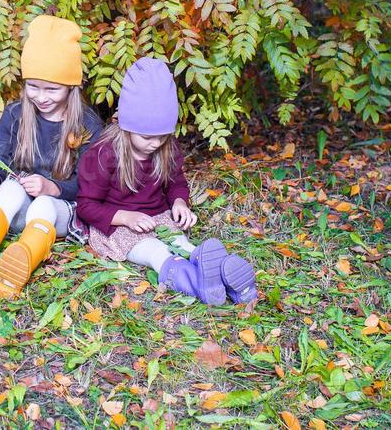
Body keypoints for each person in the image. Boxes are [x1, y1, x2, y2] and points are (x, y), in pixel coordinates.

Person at [0, 14, 102, 297]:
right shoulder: (17, 114)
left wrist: (53, 187)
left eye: (52, 89)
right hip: (16, 213)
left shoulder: (87, 124)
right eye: (34, 87)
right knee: (11, 188)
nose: (41, 97)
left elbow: (92, 186)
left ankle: (15, 273)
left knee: (43, 203)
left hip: (58, 213)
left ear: (71, 87)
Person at [77, 58, 257, 305]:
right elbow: (87, 206)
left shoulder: (165, 148)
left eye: (162, 136)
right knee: (155, 251)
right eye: (146, 136)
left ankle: (229, 280)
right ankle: (198, 286)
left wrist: (180, 203)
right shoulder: (103, 154)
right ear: (125, 125)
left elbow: (175, 183)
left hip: (157, 218)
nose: (155, 143)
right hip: (116, 226)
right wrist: (125, 217)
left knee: (181, 243)